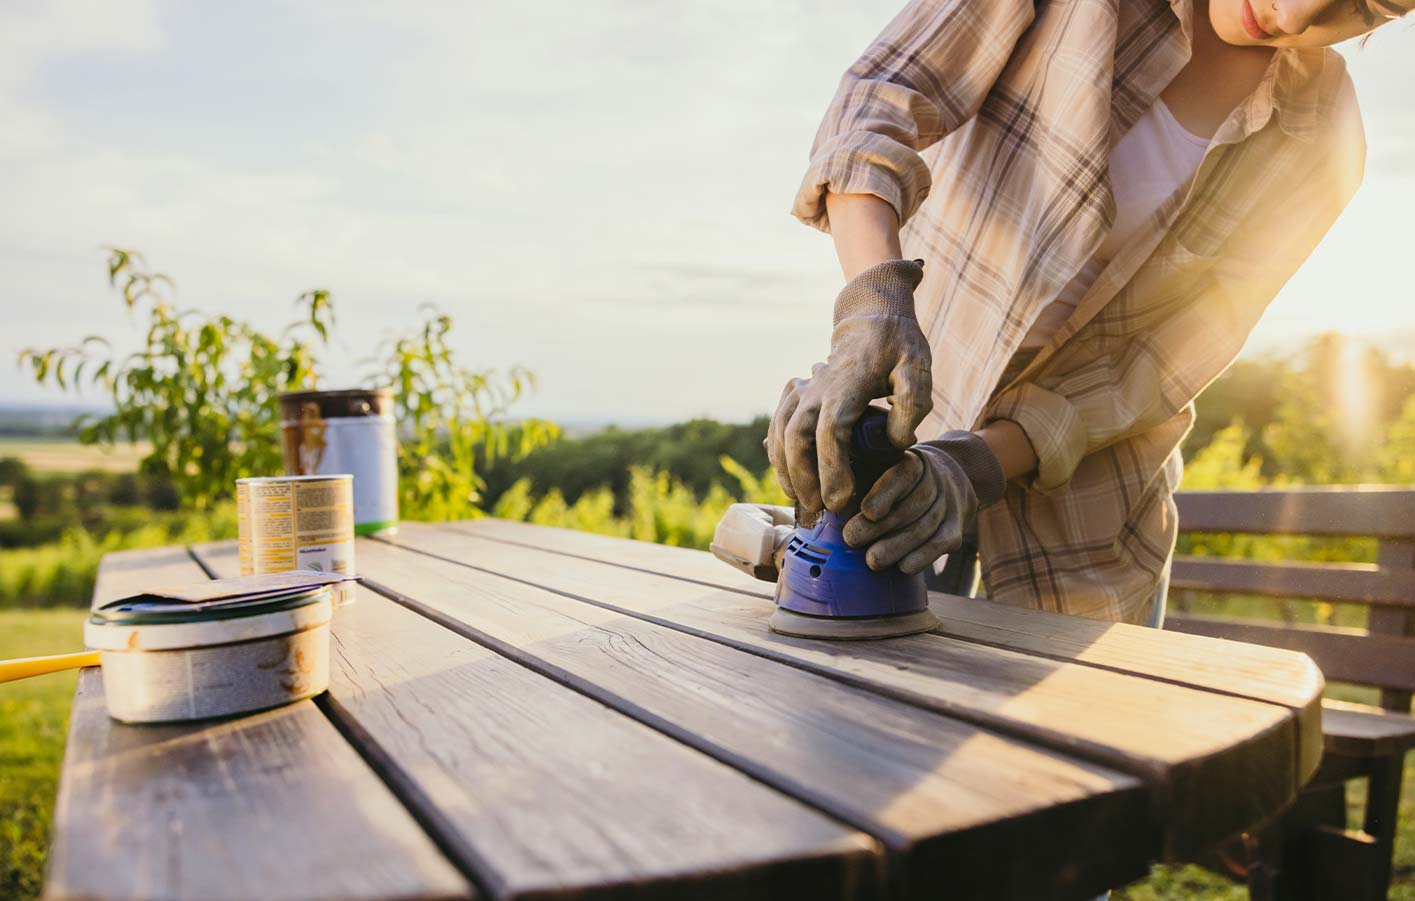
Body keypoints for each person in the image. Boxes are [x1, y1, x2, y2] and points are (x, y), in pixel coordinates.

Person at [715, 0, 1405, 627]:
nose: (1294, 14)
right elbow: (879, 98)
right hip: (905, 448)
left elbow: (1154, 368)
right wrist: (874, 302)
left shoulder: (1321, 143)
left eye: (1367, 6)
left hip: (1086, 532)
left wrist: (974, 465)